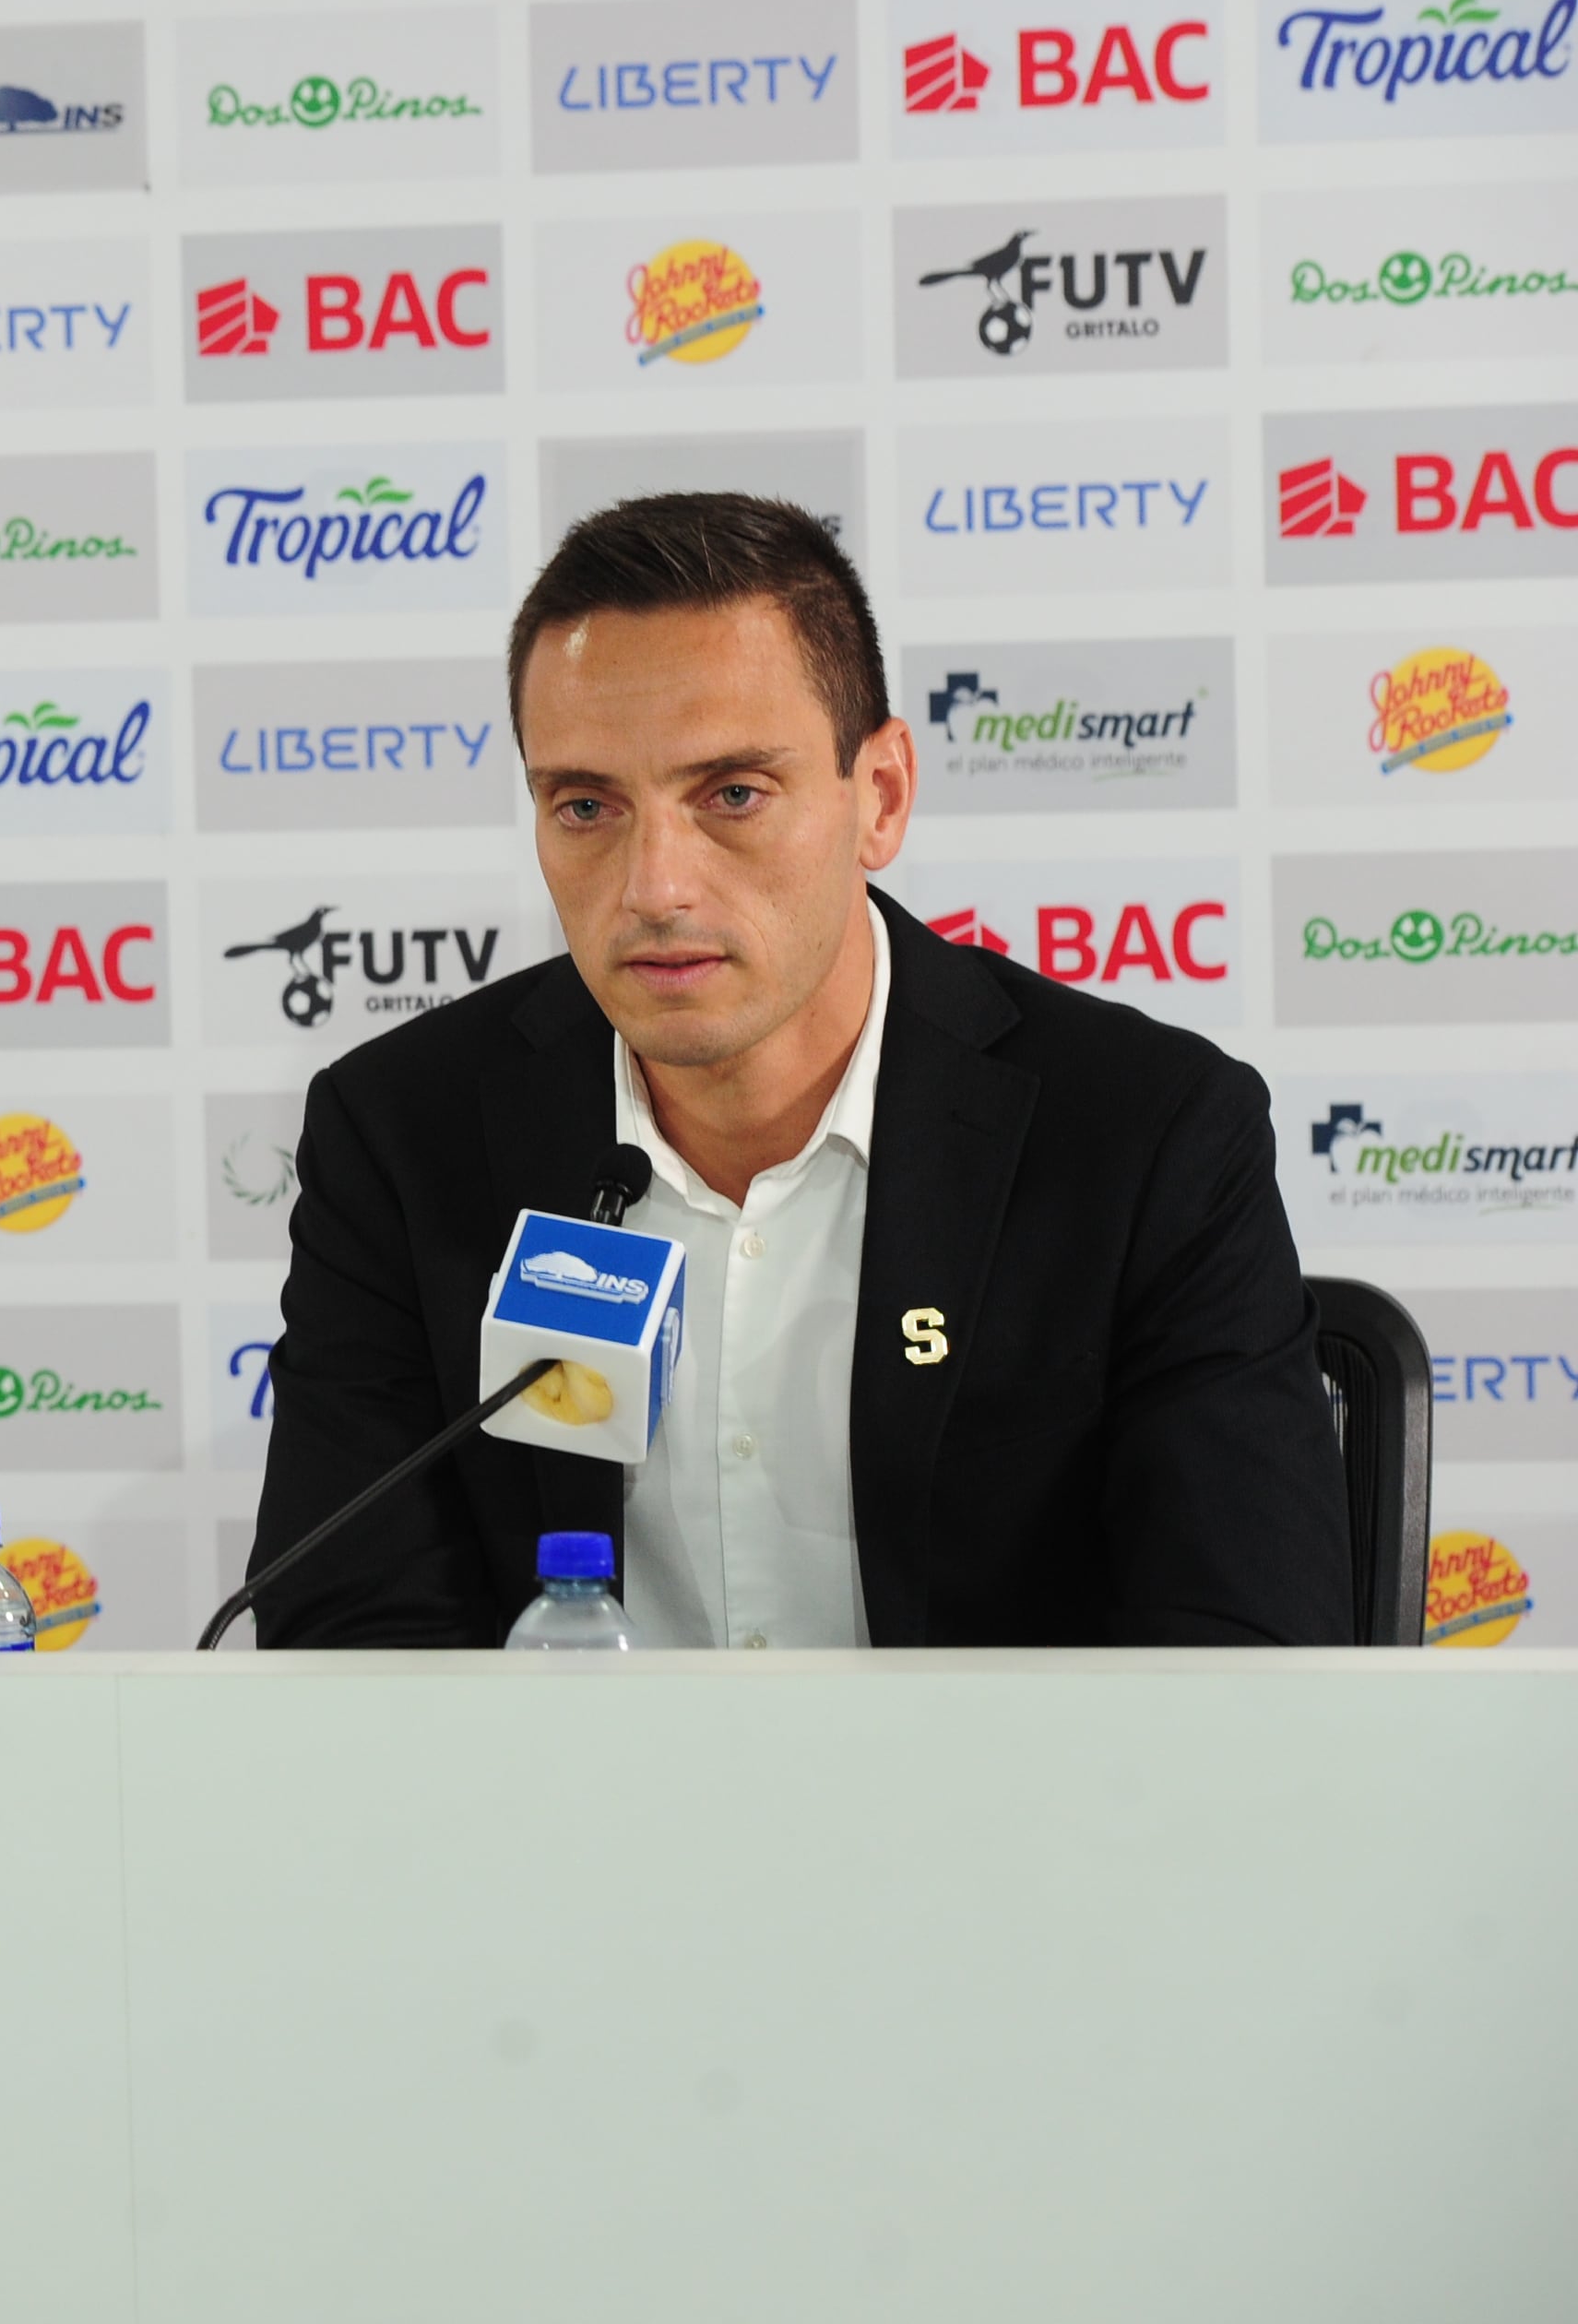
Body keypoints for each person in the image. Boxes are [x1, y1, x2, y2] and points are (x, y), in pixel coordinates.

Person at [246, 493, 1351, 1648]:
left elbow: (1243, 1648)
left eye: (731, 795)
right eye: (584, 806)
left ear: (878, 798)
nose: (653, 887)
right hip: (562, 1776)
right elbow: (349, 1638)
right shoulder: (400, 1135)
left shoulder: (1142, 1134)